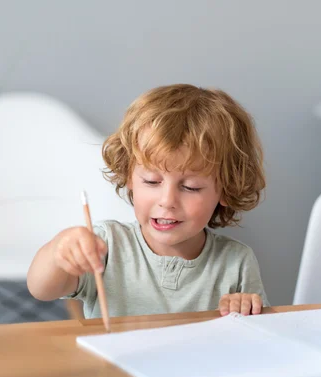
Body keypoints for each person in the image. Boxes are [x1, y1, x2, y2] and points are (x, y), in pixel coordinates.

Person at [27, 84, 268, 318]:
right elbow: (41, 289)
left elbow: (259, 333)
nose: (167, 201)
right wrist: (59, 252)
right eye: (152, 181)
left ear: (226, 189)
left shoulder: (237, 261)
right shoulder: (106, 245)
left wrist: (245, 307)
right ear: (130, 176)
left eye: (190, 187)